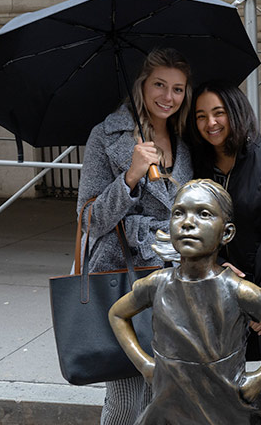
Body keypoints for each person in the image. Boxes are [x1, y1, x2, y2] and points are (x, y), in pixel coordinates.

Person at [108, 179, 261, 425]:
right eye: (178, 213)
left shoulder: (237, 290)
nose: (188, 223)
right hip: (170, 408)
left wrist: (258, 379)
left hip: (224, 410)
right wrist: (145, 365)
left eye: (204, 214)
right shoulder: (157, 284)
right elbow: (117, 314)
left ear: (226, 233)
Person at [76, 48, 193, 424]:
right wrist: (130, 175)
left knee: (164, 394)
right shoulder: (105, 135)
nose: (168, 97)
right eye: (159, 85)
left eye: (177, 89)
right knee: (127, 399)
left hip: (175, 284)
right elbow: (89, 219)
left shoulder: (184, 138)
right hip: (123, 280)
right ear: (142, 84)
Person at [186, 81, 261, 404]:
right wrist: (218, 266)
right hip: (213, 288)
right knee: (218, 383)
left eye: (219, 113)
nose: (211, 123)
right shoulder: (197, 164)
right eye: (201, 116)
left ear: (236, 113)